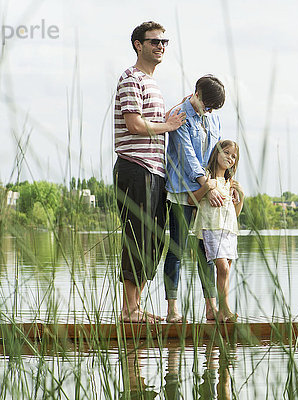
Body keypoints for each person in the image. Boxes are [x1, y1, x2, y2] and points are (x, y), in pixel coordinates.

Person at [113, 21, 186, 323]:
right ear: (138, 45)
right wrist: (167, 126)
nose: (160, 46)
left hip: (156, 173)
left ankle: (136, 307)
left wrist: (175, 115)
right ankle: (130, 310)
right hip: (135, 167)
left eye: (164, 42)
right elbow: (134, 124)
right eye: (154, 41)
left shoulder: (153, 83)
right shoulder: (132, 78)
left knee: (154, 239)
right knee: (136, 236)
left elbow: (152, 121)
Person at [163, 75, 226, 323]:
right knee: (177, 247)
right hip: (182, 190)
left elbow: (215, 153)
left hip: (208, 188)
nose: (208, 111)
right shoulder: (181, 114)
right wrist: (206, 186)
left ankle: (211, 307)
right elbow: (187, 155)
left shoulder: (213, 117)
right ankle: (172, 309)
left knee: (206, 249)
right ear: (197, 94)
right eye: (207, 105)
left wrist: (221, 183)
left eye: (213, 108)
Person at [190, 140, 244, 323]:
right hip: (211, 228)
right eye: (227, 152)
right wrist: (206, 187)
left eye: (234, 156)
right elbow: (191, 201)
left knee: (226, 270)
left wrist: (241, 198)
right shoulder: (206, 176)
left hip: (229, 230)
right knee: (222, 267)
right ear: (217, 153)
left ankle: (222, 310)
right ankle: (225, 308)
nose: (230, 157)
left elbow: (234, 214)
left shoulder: (231, 183)